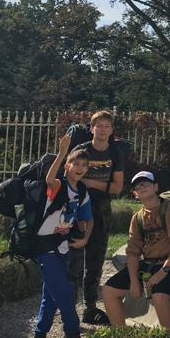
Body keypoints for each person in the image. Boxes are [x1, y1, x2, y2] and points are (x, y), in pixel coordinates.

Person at [102, 170, 170, 332]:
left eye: (145, 183)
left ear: (156, 187)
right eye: (138, 186)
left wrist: (162, 272)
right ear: (135, 194)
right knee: (109, 291)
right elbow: (133, 252)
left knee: (159, 297)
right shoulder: (137, 218)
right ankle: (122, 337)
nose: (142, 187)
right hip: (148, 265)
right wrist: (134, 281)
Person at [33, 135, 93, 338]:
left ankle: (40, 336)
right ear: (67, 166)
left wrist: (85, 238)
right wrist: (61, 153)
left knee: (51, 295)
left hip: (63, 248)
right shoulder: (59, 185)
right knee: (65, 292)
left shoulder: (82, 192)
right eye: (76, 164)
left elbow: (88, 219)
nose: (80, 168)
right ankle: (72, 334)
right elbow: (49, 180)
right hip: (45, 247)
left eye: (84, 165)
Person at [68, 110, 126, 325]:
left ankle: (90, 308)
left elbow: (117, 187)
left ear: (111, 130)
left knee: (95, 260)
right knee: (74, 261)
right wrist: (102, 185)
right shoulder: (82, 151)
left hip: (101, 209)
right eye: (99, 126)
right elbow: (69, 178)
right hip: (77, 209)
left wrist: (91, 183)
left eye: (106, 126)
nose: (102, 130)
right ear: (91, 129)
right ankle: (69, 310)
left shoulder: (115, 153)